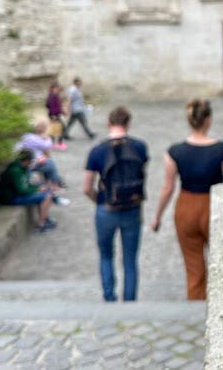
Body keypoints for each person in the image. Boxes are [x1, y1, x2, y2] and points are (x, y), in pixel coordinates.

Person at [150, 99, 223, 300]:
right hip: (214, 205)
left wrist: (157, 217)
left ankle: (197, 307)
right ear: (208, 120)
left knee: (193, 267)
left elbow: (167, 187)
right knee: (222, 260)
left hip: (186, 207)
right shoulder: (221, 149)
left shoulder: (175, 151)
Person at [83, 106, 149, 302]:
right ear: (128, 123)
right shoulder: (139, 147)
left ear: (108, 124)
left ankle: (109, 298)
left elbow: (86, 187)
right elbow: (141, 173)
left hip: (106, 209)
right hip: (132, 208)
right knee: (130, 260)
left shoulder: (97, 151)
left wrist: (100, 200)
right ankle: (129, 301)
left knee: (105, 256)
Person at [0, 150, 54, 232]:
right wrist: (36, 189)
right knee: (46, 196)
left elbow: (25, 184)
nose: (30, 164)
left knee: (44, 191)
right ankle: (41, 224)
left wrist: (38, 188)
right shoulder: (15, 171)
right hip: (11, 198)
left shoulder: (20, 167)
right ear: (26, 160)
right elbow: (21, 190)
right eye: (30, 162)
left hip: (16, 194)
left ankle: (45, 219)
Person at [15, 121, 70, 206]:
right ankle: (55, 191)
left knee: (49, 166)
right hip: (30, 164)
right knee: (50, 166)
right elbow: (47, 145)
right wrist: (47, 137)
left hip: (32, 162)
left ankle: (55, 190)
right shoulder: (30, 137)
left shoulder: (27, 137)